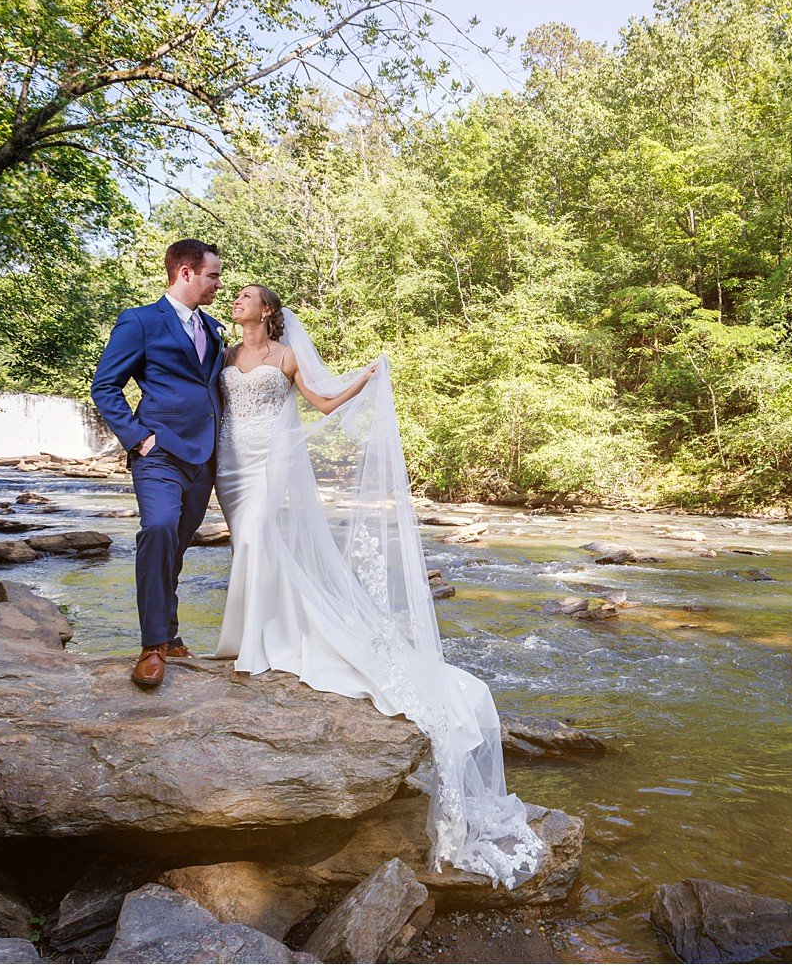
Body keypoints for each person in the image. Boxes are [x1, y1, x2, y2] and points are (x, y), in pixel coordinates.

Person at [210, 283, 546, 890]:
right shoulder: (225, 354)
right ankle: (251, 633)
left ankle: (261, 643)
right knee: (246, 542)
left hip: (271, 460)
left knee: (261, 535)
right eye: (232, 295)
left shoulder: (285, 355)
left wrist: (364, 378)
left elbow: (322, 404)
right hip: (230, 459)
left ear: (267, 310)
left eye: (246, 298)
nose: (235, 302)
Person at [89, 239, 224, 689]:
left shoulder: (216, 328)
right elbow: (105, 385)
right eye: (213, 275)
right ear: (185, 273)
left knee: (178, 544)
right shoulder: (140, 321)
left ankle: (172, 631)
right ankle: (152, 645)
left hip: (204, 456)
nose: (218, 284)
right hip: (159, 452)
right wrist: (137, 437)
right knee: (159, 528)